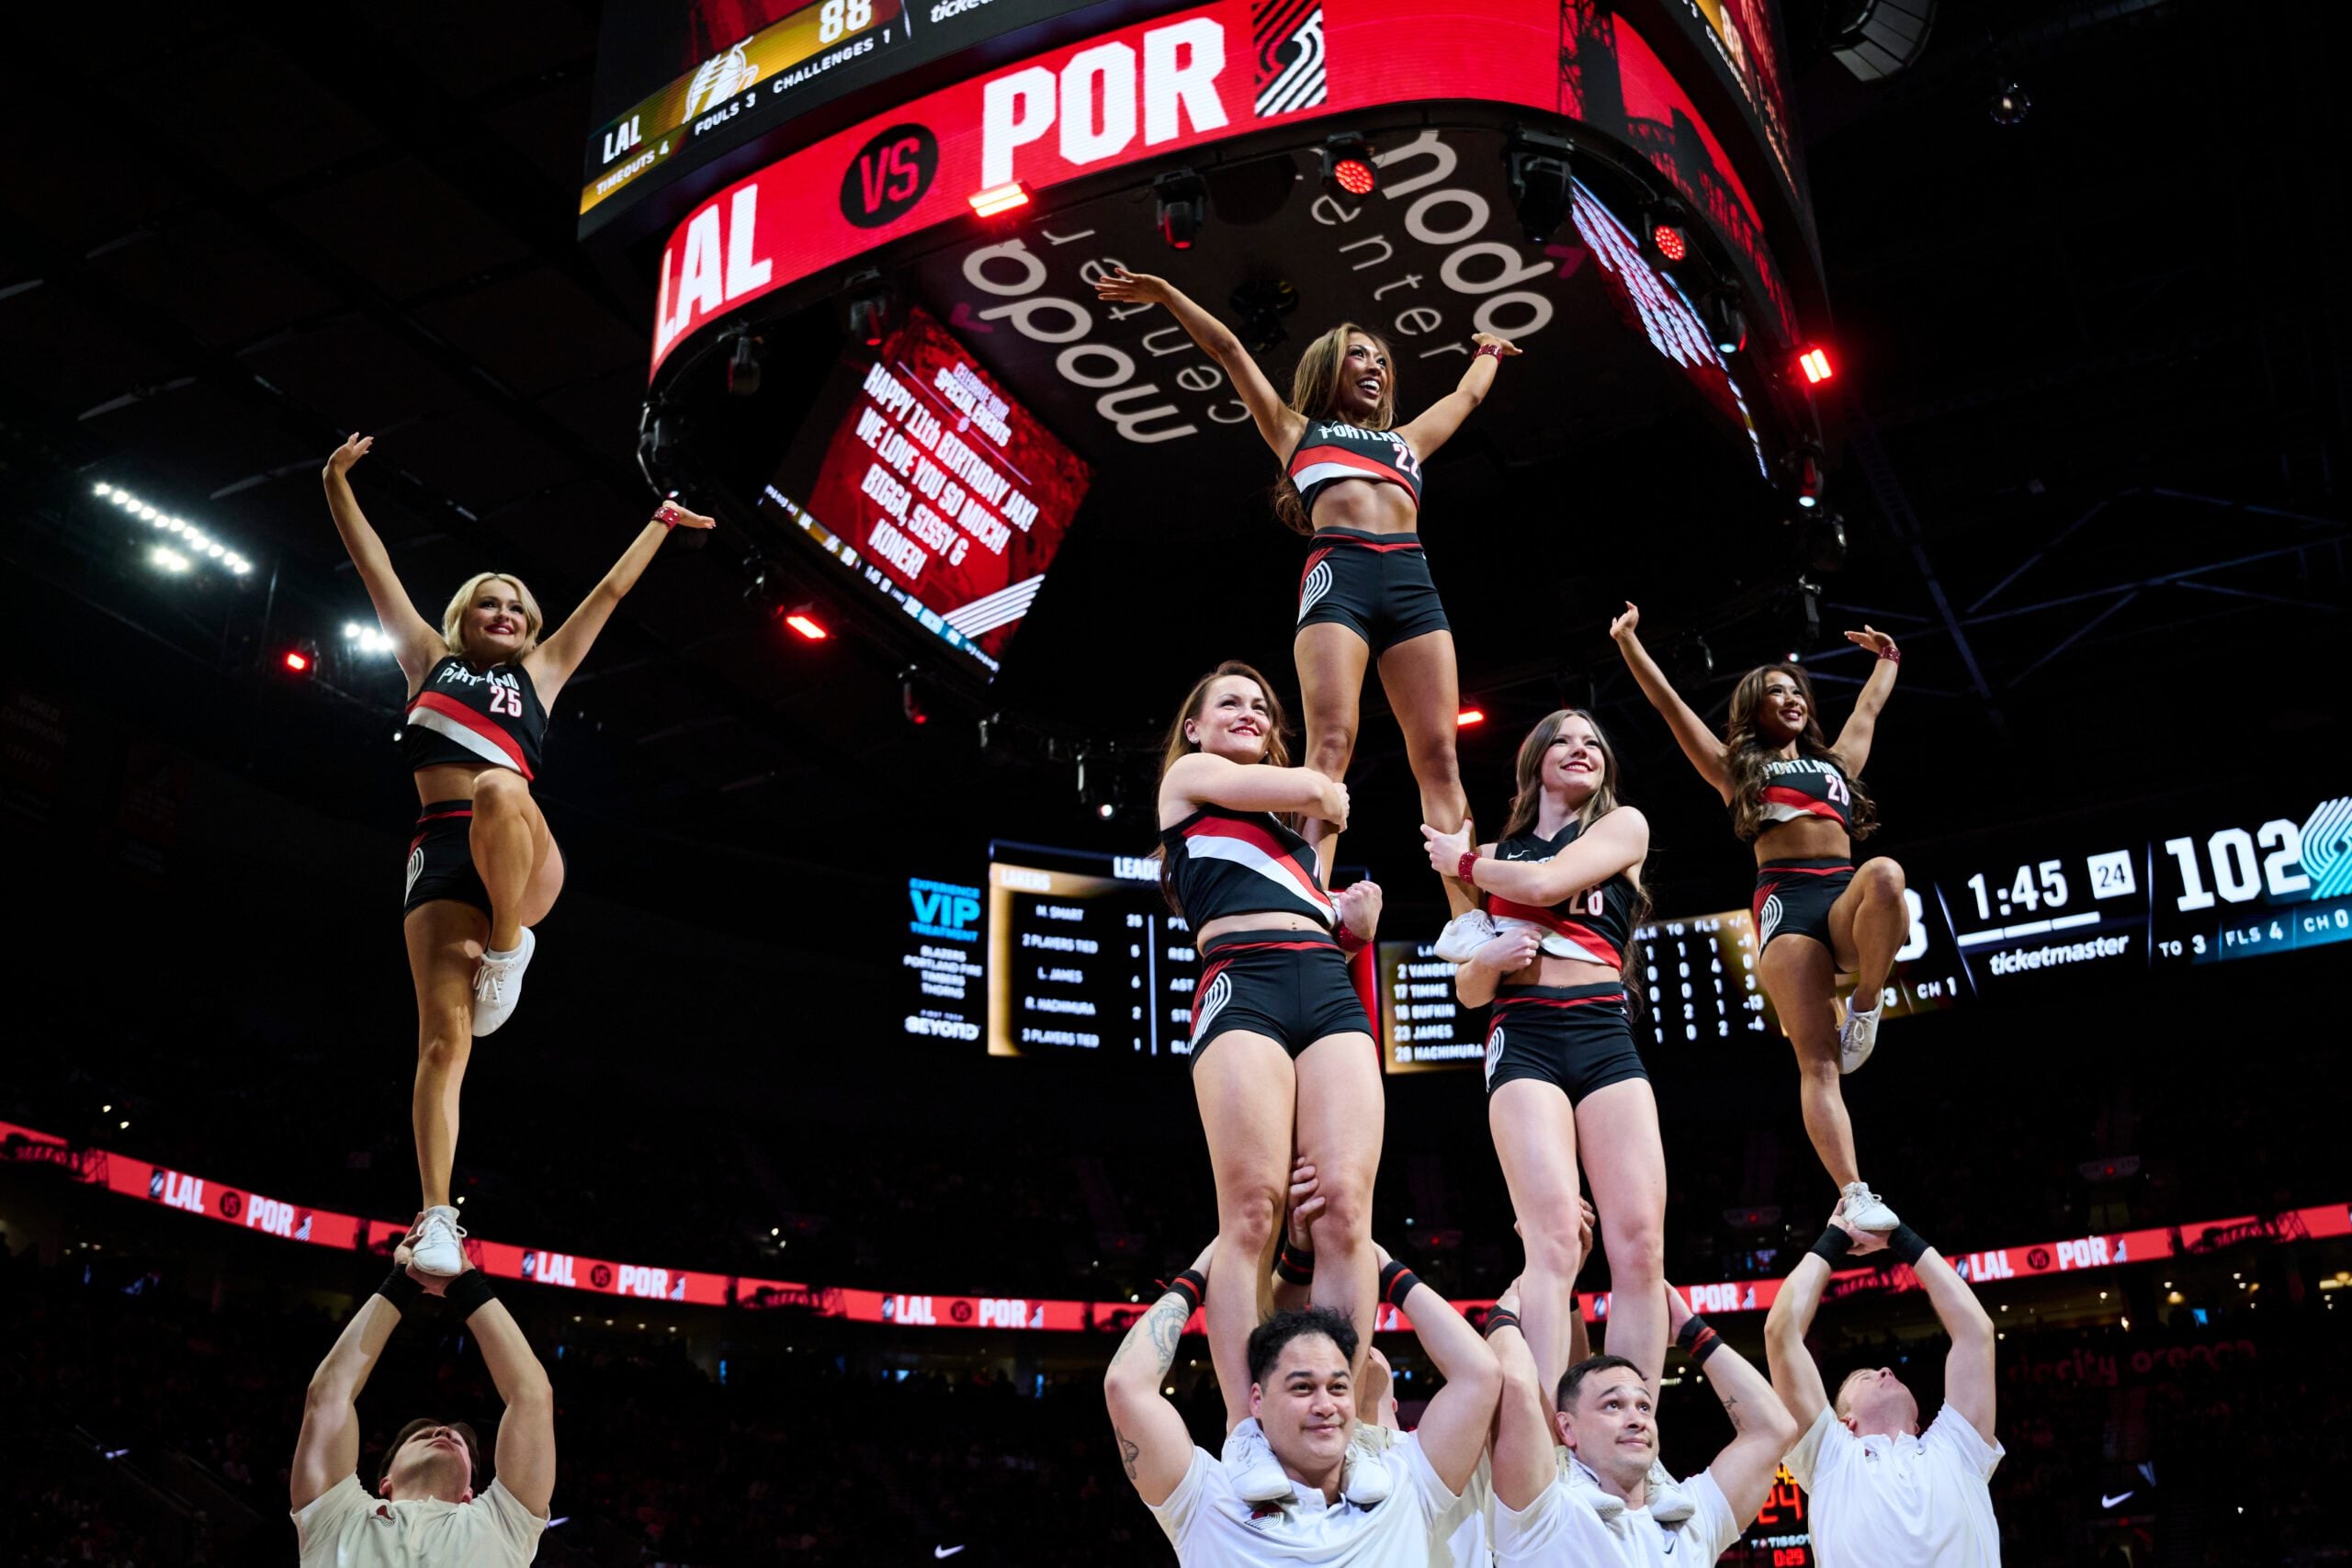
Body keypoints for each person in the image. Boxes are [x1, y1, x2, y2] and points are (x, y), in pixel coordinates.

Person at [321, 433, 713, 1274]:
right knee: (439, 1044)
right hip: (441, 853)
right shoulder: (426, 659)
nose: (504, 614)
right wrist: (334, 483)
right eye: (489, 604)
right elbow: (373, 564)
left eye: (516, 607)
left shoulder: (540, 672)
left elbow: (607, 593)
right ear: (462, 616)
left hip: (523, 854)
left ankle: (510, 947)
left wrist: (660, 521)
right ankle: (435, 1217)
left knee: (501, 786)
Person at [1095, 264, 1519, 916]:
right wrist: (1165, 291)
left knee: (1438, 751)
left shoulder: (1407, 443)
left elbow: (1465, 398)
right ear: (1330, 367)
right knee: (1330, 744)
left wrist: (1488, 349)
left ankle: (1469, 919)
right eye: (1359, 354)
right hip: (1339, 580)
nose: (1375, 365)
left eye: (1382, 359)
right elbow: (1228, 349)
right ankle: (1309, 898)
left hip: (1411, 580)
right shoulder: (1297, 431)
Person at [1157, 660, 1386, 1503]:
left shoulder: (1296, 841)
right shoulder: (1193, 783)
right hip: (1241, 979)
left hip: (1325, 984)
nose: (1249, 712)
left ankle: (1346, 1428)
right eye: (1231, 703)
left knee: (1343, 1211)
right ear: (1195, 727)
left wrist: (1352, 926)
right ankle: (1246, 1433)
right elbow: (1327, 788)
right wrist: (1319, 790)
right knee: (1252, 1212)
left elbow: (1323, 865)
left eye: (1261, 705)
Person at [1608, 602, 1908, 1230]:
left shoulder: (1836, 765)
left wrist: (1886, 659)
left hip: (1841, 895)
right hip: (1785, 904)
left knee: (1885, 875)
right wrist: (1630, 642)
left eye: (1795, 689)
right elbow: (1668, 706)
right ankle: (1854, 1192)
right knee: (1816, 1061)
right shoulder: (1735, 768)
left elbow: (1869, 710)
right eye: (1776, 691)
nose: (1791, 696)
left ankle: (1868, 1003)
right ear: (1755, 708)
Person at [1417, 710, 1669, 1412]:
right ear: (1537, 760)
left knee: (1641, 1246)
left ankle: (1633, 1433)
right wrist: (1489, 960)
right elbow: (1468, 990)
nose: (1582, 748)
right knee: (1554, 1241)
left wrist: (1463, 863)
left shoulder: (1623, 829)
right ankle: (1548, 1433)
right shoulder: (1498, 850)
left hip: (1603, 1034)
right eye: (1564, 737)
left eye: (1595, 739)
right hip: (1522, 1035)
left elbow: (1550, 884)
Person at [1106, 1238, 1500, 1563]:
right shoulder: (1209, 1500)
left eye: (1338, 1387)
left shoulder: (1404, 1489)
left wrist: (1382, 1263)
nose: (1324, 1405)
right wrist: (1199, 1274)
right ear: (1256, 1400)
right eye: (1301, 1387)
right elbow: (1126, 1386)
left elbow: (1480, 1375)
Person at [290, 1223, 555, 1566]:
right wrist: (403, 1281)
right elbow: (328, 1395)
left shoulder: (502, 1526)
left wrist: (464, 1283)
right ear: (385, 1482)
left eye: (457, 1442)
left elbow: (532, 1396)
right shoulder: (336, 1518)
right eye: (420, 1436)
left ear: (468, 1495)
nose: (443, 1431)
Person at [1486, 1280, 1799, 1564]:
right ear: (1567, 1428)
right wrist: (1503, 1320)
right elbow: (1516, 1388)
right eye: (1613, 1405)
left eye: (1644, 1407)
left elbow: (1773, 1430)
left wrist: (1695, 1334)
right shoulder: (1544, 1516)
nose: (1636, 1419)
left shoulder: (1691, 1518)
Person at [1762, 1206, 2003, 1566]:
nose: (1885, 1370)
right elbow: (1780, 1334)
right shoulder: (1829, 1456)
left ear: (1918, 1423)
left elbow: (1976, 1332)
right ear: (1845, 1422)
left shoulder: (1957, 1448)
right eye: (1866, 1376)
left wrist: (1898, 1235)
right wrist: (1836, 1236)